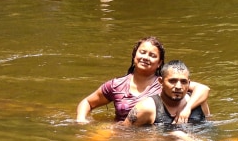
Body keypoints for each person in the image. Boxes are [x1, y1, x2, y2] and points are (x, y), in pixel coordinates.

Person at [75, 36, 210, 123]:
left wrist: (187, 109)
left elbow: (203, 89)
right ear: (134, 56)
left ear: (159, 63)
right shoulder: (116, 85)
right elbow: (88, 102)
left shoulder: (167, 84)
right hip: (124, 132)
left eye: (152, 55)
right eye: (142, 52)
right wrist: (81, 120)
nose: (146, 57)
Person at [123, 60, 207, 126]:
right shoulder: (146, 108)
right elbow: (125, 133)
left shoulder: (198, 102)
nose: (178, 86)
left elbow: (210, 127)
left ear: (189, 83)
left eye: (183, 82)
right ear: (160, 82)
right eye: (172, 81)